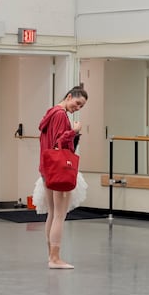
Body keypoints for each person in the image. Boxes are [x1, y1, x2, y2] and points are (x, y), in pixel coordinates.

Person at [35, 86, 88, 269]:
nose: (77, 108)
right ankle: (55, 258)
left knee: (53, 213)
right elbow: (59, 141)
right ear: (69, 96)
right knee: (59, 214)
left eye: (81, 107)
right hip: (59, 168)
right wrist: (74, 132)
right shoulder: (60, 115)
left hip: (47, 167)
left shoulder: (51, 113)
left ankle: (52, 255)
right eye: (77, 103)